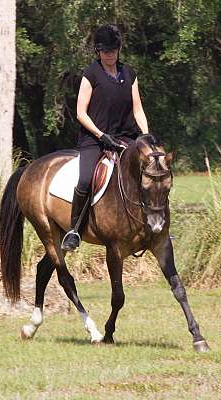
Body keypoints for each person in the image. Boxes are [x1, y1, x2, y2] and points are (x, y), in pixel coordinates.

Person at [61, 23, 151, 251]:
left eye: (112, 51)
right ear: (98, 51)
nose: (109, 55)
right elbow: (81, 112)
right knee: (85, 179)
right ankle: (74, 230)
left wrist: (146, 135)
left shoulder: (129, 74)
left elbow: (138, 108)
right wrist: (101, 135)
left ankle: (153, 226)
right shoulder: (91, 74)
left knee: (151, 172)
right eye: (105, 51)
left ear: (118, 49)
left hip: (125, 137)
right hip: (95, 139)